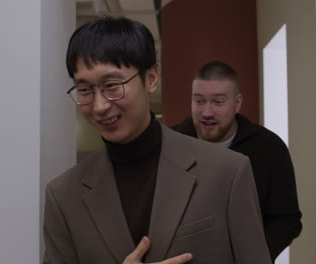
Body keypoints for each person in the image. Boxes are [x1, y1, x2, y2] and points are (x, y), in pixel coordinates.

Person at [42, 17, 271, 264]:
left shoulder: (227, 172)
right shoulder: (64, 196)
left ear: (151, 78)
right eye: (85, 90)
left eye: (112, 85)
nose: (99, 106)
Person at [172, 61, 302, 261]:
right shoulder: (170, 144)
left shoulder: (270, 148)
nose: (207, 112)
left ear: (237, 102)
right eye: (199, 101)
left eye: (218, 102)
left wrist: (253, 255)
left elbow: (287, 219)